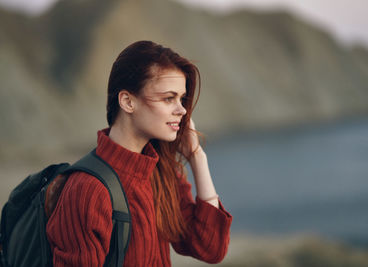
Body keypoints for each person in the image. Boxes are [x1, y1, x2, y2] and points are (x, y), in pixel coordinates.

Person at [46, 40, 232, 266]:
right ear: (127, 101)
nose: (182, 110)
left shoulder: (162, 171)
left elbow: (210, 248)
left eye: (182, 99)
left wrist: (197, 157)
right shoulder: (87, 190)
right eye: (168, 98)